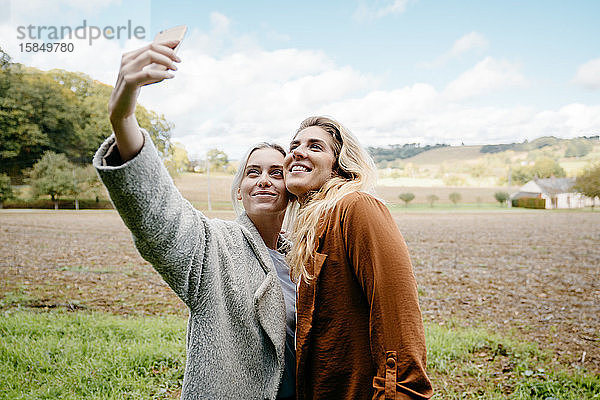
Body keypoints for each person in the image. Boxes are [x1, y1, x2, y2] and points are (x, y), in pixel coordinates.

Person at [92, 40, 296, 400]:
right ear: (239, 191)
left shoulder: (307, 256)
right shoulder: (214, 247)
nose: (264, 179)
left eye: (277, 173)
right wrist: (123, 117)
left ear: (292, 188)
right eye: (253, 172)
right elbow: (159, 214)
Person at [283, 116, 433, 400]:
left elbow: (398, 314)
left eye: (315, 146)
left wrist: (401, 393)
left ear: (339, 165)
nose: (298, 152)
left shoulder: (356, 207)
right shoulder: (308, 229)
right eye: (294, 145)